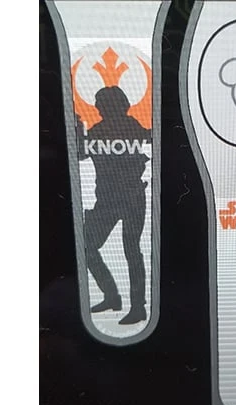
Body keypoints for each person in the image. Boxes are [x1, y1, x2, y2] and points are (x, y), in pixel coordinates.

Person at [77, 86, 150, 325]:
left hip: (131, 198)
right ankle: (112, 296)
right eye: (99, 104)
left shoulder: (131, 127)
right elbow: (80, 154)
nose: (99, 108)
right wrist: (77, 129)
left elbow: (150, 138)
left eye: (103, 104)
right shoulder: (97, 131)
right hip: (108, 200)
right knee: (87, 247)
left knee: (131, 250)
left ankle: (137, 307)